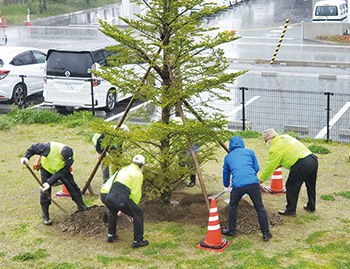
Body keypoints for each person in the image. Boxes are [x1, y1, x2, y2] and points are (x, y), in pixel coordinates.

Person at [20, 142, 89, 225]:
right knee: (45, 192)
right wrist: (26, 157)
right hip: (47, 169)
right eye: (64, 159)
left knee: (72, 186)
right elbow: (33, 148)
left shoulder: (71, 156)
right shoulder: (49, 148)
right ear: (60, 154)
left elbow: (62, 172)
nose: (65, 161)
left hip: (61, 170)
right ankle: (45, 214)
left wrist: (49, 182)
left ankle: (81, 205)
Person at [221, 136, 272, 242]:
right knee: (260, 208)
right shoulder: (250, 152)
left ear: (230, 145)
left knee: (233, 206)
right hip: (253, 184)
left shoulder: (228, 157)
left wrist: (226, 186)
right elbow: (256, 168)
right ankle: (266, 234)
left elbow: (226, 173)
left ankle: (232, 231)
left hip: (237, 185)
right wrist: (250, 175)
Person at [259, 128, 318, 217]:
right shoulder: (285, 137)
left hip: (301, 164)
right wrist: (281, 165)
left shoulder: (275, 147)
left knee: (291, 186)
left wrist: (261, 179)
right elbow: (291, 152)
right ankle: (311, 206)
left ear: (271, 139)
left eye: (266, 141)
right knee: (310, 185)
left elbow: (270, 166)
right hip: (312, 159)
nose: (266, 143)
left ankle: (290, 210)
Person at [100, 154, 148, 248]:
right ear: (142, 166)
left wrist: (122, 207)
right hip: (117, 195)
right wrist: (130, 209)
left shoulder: (124, 168)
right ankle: (137, 241)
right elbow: (135, 193)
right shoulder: (138, 174)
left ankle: (111, 235)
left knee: (112, 211)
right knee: (138, 213)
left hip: (104, 192)